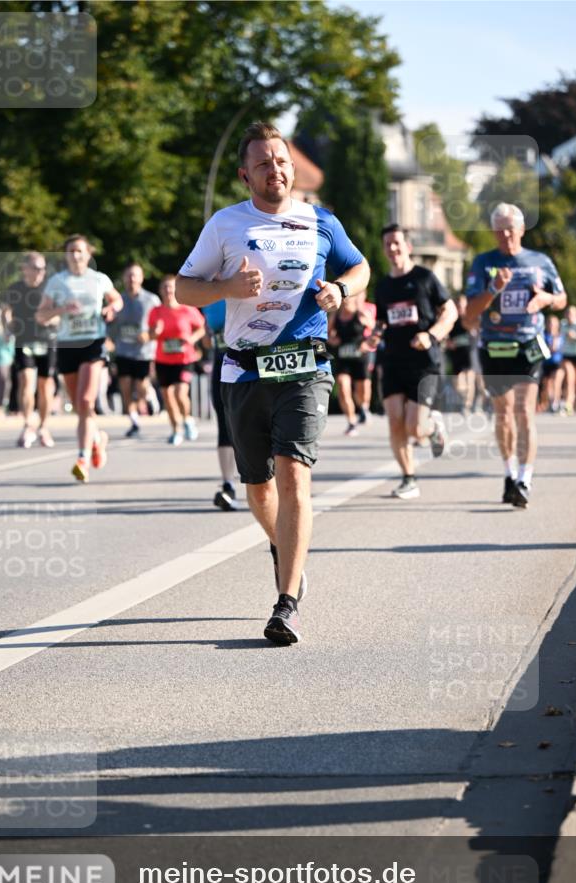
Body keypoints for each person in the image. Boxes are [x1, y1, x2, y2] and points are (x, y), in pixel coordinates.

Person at [175, 120, 369, 645]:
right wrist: (226, 286)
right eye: (263, 163)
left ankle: (286, 604)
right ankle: (288, 550)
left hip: (305, 365)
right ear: (245, 174)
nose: (275, 170)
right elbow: (182, 290)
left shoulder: (322, 221)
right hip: (243, 368)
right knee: (258, 489)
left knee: (293, 477)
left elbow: (359, 267)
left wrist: (341, 292)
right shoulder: (225, 224)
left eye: (281, 161)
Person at [465, 203, 567, 508]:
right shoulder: (484, 263)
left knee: (524, 410)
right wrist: (493, 289)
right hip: (495, 347)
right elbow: (469, 313)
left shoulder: (540, 261)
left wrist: (546, 299)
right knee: (504, 414)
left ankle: (525, 478)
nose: (506, 234)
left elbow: (561, 299)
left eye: (511, 228)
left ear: (522, 230)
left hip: (528, 346)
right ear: (494, 232)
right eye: (500, 229)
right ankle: (509, 472)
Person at [371, 224, 456, 500]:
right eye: (388, 245)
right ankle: (409, 478)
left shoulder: (425, 278)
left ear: (408, 247)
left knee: (414, 428)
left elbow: (450, 311)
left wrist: (431, 335)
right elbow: (383, 321)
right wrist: (374, 335)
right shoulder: (383, 286)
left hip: (424, 364)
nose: (393, 248)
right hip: (393, 362)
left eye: (397, 243)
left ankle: (433, 427)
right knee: (395, 423)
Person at [36, 234, 122, 482]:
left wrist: (111, 308)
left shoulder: (99, 279)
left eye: (79, 251)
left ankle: (82, 458)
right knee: (78, 406)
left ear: (88, 254)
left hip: (93, 343)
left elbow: (116, 299)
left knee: (86, 400)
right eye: (70, 251)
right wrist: (61, 309)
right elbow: (41, 316)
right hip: (67, 344)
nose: (75, 255)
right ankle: (97, 438)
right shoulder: (56, 282)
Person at [2, 252, 57, 448]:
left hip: (47, 340)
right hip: (24, 340)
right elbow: (6, 311)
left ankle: (43, 426)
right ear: (24, 269)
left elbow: (59, 313)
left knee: (45, 385)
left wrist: (52, 318)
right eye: (35, 267)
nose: (39, 272)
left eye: (42, 268)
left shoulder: (50, 288)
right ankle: (27, 424)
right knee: (25, 380)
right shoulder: (15, 289)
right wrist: (8, 328)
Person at [148, 275, 205, 445]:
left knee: (180, 393)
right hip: (163, 360)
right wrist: (155, 332)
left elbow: (202, 328)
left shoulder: (187, 309)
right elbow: (150, 335)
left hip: (184, 358)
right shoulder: (156, 312)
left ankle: (187, 419)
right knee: (167, 396)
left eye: (171, 287)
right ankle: (175, 430)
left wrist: (192, 339)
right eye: (164, 287)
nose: (168, 291)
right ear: (160, 291)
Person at [109, 263, 160, 437]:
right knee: (125, 388)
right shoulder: (118, 300)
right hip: (123, 351)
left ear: (141, 278)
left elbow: (160, 324)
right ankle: (134, 421)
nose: (132, 279)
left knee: (141, 387)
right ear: (124, 278)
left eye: (135, 275)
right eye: (128, 276)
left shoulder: (151, 300)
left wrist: (149, 334)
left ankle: (149, 395)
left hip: (143, 352)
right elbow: (111, 324)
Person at [201, 298, 241, 510]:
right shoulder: (209, 297)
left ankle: (273, 483)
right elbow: (208, 340)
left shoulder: (246, 284)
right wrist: (209, 335)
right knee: (224, 423)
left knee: (257, 420)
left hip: (249, 361)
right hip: (222, 362)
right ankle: (228, 485)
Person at [328, 291, 376, 435]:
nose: (346, 301)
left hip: (360, 357)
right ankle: (351, 422)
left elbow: (375, 331)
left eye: (349, 298)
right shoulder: (336, 316)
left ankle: (364, 408)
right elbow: (327, 333)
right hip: (343, 358)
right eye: (344, 299)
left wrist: (367, 344)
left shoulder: (361, 314)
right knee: (343, 387)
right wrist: (333, 340)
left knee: (363, 390)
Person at [445, 294, 475, 415]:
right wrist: (448, 342)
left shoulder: (469, 318)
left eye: (462, 305)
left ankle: (467, 405)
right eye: (458, 305)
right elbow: (445, 333)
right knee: (458, 382)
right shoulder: (451, 319)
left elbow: (476, 331)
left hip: (469, 352)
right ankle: (463, 399)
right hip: (456, 353)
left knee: (469, 378)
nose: (460, 308)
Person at [540, 314, 565, 413]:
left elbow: (562, 349)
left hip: (558, 362)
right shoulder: (543, 335)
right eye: (550, 323)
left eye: (554, 323)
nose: (552, 325)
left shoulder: (561, 336)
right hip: (546, 363)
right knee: (547, 384)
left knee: (557, 382)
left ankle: (556, 402)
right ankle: (550, 402)